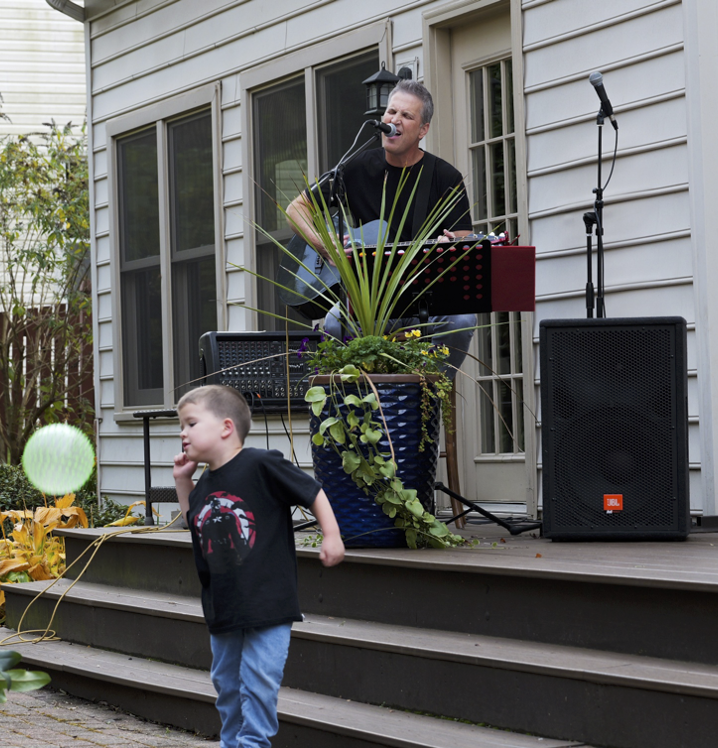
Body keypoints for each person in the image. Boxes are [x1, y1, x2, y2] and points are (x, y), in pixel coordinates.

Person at [173, 384, 344, 748]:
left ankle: (253, 744)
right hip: (223, 606)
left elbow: (312, 491)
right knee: (228, 686)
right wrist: (183, 481)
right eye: (181, 427)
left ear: (225, 427)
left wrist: (332, 535)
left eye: (190, 423)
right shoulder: (203, 485)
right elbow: (195, 525)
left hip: (268, 603)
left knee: (259, 682)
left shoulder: (260, 463)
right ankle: (232, 743)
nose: (182, 433)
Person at [287, 79, 476, 375]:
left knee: (463, 321)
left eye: (406, 116)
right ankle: (360, 402)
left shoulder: (444, 177)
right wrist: (325, 246)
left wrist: (452, 245)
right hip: (369, 304)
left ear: (423, 130)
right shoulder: (357, 167)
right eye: (391, 112)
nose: (394, 120)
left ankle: (426, 392)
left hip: (423, 302)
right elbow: (295, 209)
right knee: (335, 322)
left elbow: (465, 242)